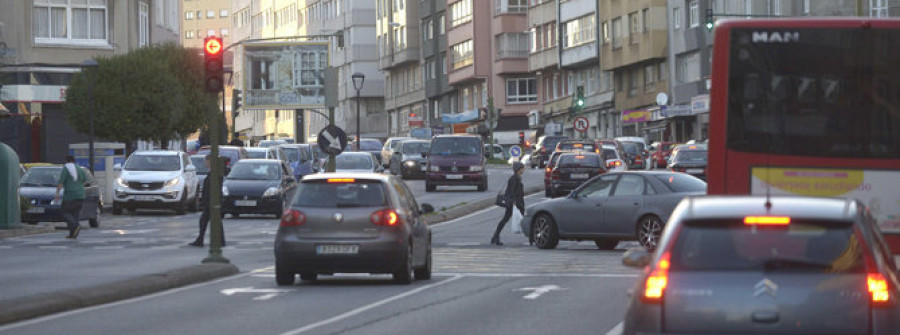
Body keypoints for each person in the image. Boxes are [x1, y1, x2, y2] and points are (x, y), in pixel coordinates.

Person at [189, 155, 226, 247]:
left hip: (212, 202)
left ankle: (204, 240)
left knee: (208, 221)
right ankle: (215, 240)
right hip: (210, 201)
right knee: (209, 221)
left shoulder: (215, 173)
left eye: (206, 161)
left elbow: (213, 188)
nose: (205, 163)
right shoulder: (213, 173)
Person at [490, 162, 525, 246]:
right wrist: (514, 203)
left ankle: (495, 236)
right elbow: (511, 191)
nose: (523, 170)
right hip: (515, 203)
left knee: (507, 219)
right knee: (523, 220)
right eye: (522, 168)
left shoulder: (517, 178)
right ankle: (495, 236)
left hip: (517, 203)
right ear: (518, 169)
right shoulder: (514, 179)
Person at [55, 156, 87, 239]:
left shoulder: (66, 169)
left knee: (64, 211)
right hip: (81, 195)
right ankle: (72, 234)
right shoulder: (79, 169)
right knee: (75, 214)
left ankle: (76, 225)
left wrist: (57, 193)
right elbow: (84, 181)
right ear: (74, 161)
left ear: (66, 161)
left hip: (70, 195)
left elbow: (61, 182)